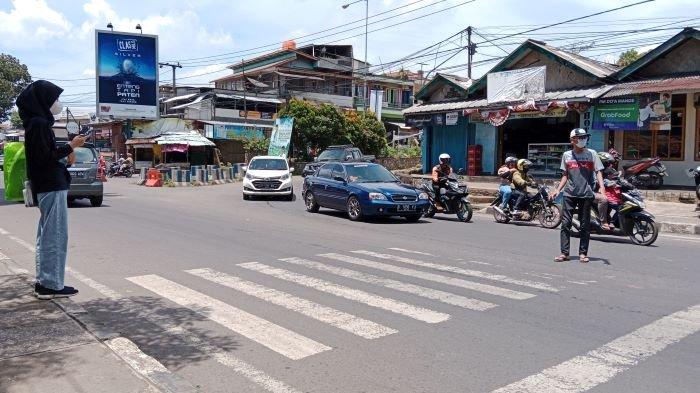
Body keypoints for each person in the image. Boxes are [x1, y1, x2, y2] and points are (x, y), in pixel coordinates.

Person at [17, 80, 87, 299]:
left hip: (47, 184)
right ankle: (51, 285)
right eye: (55, 99)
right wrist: (70, 146)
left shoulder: (37, 124)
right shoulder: (38, 124)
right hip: (50, 185)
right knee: (55, 236)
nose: (58, 103)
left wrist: (68, 153)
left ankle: (46, 281)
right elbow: (43, 158)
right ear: (44, 101)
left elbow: (45, 156)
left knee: (47, 235)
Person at [550, 128, 605, 263]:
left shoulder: (592, 154)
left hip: (586, 193)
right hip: (569, 193)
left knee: (585, 225)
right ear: (572, 140)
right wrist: (558, 189)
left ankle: (583, 253)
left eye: (584, 137)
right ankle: (564, 253)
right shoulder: (567, 155)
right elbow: (565, 175)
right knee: (565, 223)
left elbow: (598, 171)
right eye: (579, 138)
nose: (582, 140)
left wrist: (602, 187)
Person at [597, 152, 622, 230]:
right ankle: (604, 222)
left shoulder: (608, 169)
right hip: (595, 190)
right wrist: (609, 183)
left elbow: (614, 176)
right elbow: (599, 180)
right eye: (607, 163)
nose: (608, 164)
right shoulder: (596, 169)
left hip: (607, 190)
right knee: (604, 200)